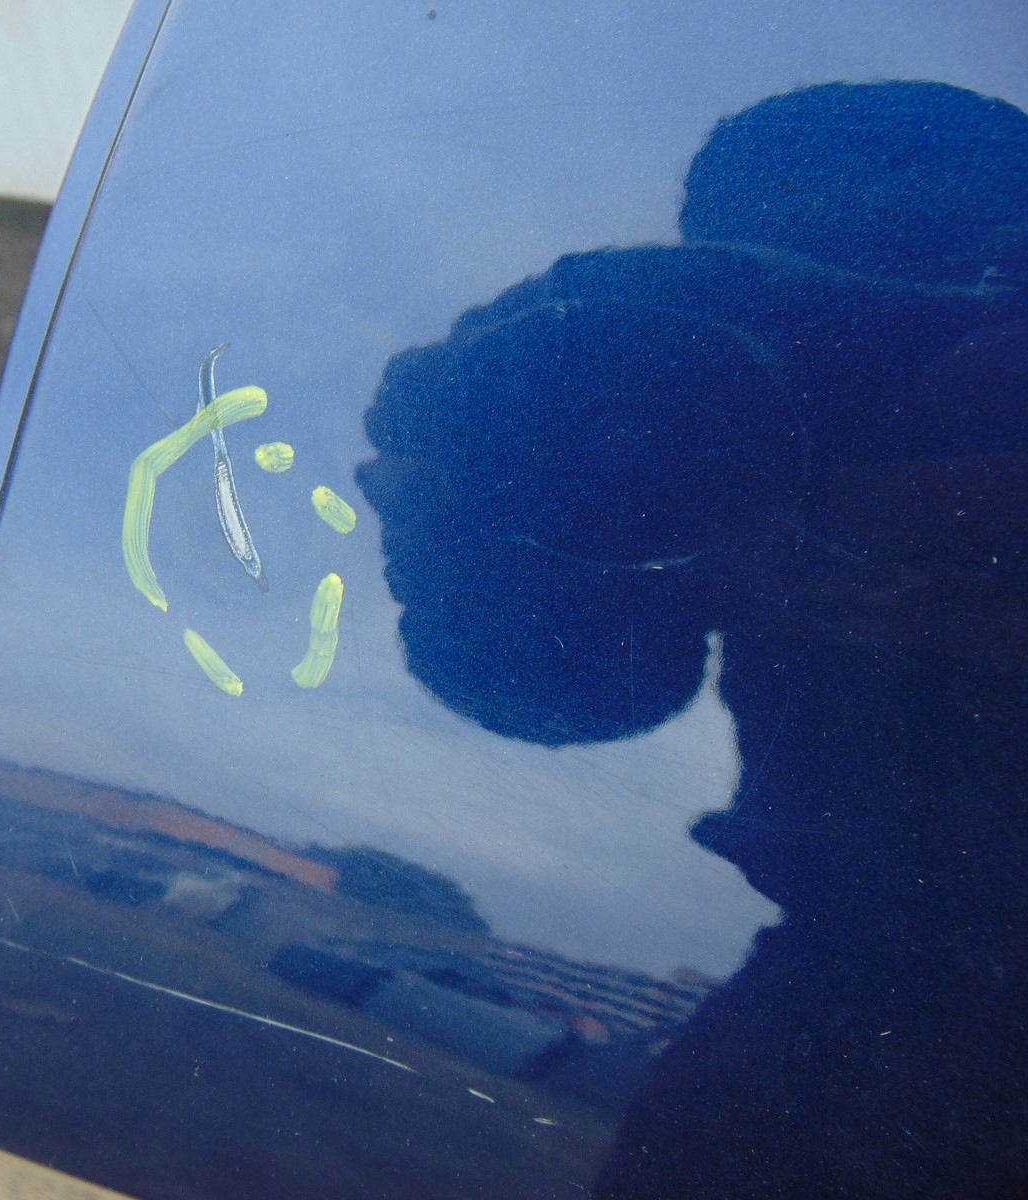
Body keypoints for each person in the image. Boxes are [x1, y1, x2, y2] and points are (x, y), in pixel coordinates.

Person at [357, 81, 1028, 1197]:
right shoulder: (688, 400)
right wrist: (484, 504)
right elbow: (567, 686)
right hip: (853, 984)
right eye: (784, 272)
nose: (856, 363)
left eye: (940, 273)